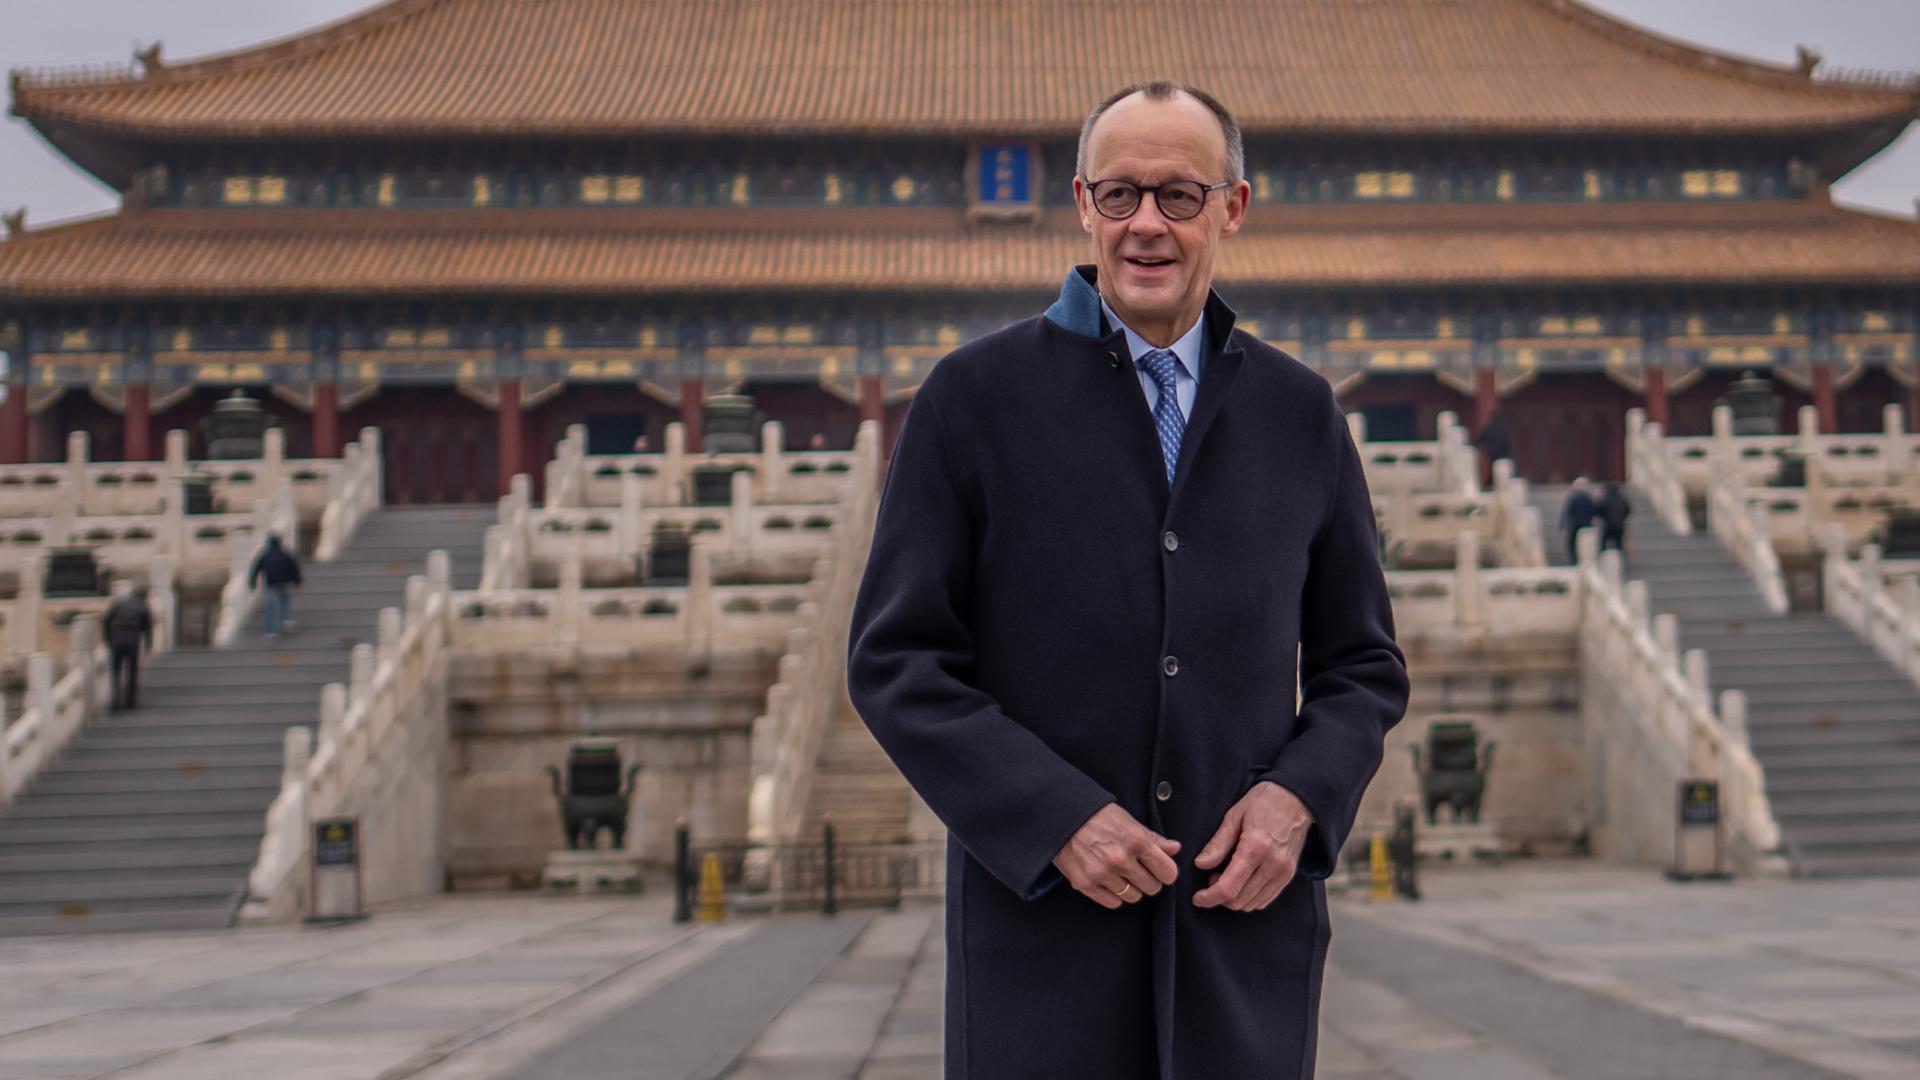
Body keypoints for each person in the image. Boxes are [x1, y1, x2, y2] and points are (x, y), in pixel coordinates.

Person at [847, 82, 1409, 1080]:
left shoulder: (1299, 415)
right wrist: (1051, 814)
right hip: (1043, 941)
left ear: (1233, 208)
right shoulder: (972, 401)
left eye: (1180, 196)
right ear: (1082, 203)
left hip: (1240, 932)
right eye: (1120, 195)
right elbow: (897, 662)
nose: (1147, 224)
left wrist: (1299, 800)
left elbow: (1362, 666)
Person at [102, 585, 153, 711]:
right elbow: (147, 629)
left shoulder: (119, 604)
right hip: (132, 639)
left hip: (117, 638)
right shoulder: (143, 607)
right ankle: (130, 701)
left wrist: (107, 639)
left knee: (116, 671)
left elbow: (106, 620)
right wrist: (148, 646)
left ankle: (115, 700)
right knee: (132, 671)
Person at [248, 533, 303, 638]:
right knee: (285, 600)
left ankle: (271, 631)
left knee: (270, 607)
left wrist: (252, 583)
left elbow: (255, 569)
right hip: (284, 582)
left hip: (271, 583)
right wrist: (298, 582)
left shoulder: (264, 555)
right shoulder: (285, 554)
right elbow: (294, 568)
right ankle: (287, 619)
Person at [1560, 476, 1598, 564]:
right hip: (1586, 524)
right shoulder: (1589, 497)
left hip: (1574, 524)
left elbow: (1567, 510)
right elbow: (1594, 510)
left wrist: (1562, 523)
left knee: (1572, 544)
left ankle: (1574, 561)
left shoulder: (1572, 496)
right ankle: (1585, 561)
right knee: (1585, 543)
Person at [1598, 481, 1632, 552]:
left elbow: (1599, 510)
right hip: (1619, 525)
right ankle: (1620, 555)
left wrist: (1604, 518)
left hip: (1608, 525)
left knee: (1603, 543)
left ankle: (1602, 554)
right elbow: (1628, 510)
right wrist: (1622, 518)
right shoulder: (1621, 499)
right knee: (1619, 543)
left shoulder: (1606, 499)